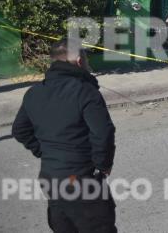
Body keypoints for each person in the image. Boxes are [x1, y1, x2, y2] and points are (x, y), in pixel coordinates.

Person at [12, 38, 117, 232]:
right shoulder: (85, 91)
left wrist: (44, 153)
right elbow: (103, 133)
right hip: (81, 179)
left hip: (50, 177)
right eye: (86, 59)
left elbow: (19, 130)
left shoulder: (33, 93)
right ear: (78, 61)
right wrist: (103, 165)